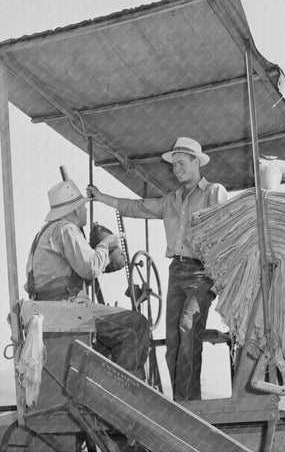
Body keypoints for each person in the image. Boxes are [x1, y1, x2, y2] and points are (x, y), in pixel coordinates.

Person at [88, 137, 228, 401]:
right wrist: (101, 197)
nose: (176, 169)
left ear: (197, 162)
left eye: (181, 163)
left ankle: (191, 403)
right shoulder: (170, 200)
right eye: (174, 165)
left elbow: (227, 231)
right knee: (173, 341)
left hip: (203, 273)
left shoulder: (214, 193)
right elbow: (135, 207)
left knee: (188, 328)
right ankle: (180, 402)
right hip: (177, 271)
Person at [24, 179, 150, 379]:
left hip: (50, 307)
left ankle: (102, 388)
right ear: (74, 211)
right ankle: (127, 394)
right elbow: (90, 268)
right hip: (67, 307)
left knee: (106, 343)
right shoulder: (66, 229)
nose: (85, 210)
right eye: (82, 206)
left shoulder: (45, 232)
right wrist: (105, 245)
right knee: (135, 326)